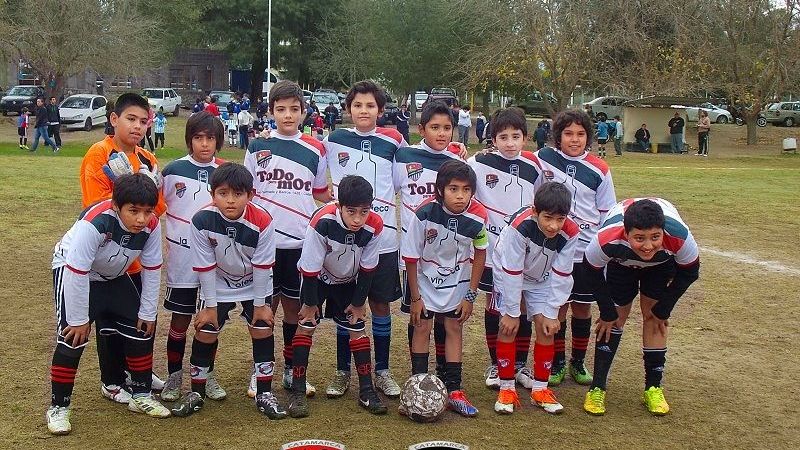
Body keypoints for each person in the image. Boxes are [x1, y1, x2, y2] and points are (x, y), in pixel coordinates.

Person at [46, 174, 170, 435]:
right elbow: (77, 270)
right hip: (73, 271)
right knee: (72, 338)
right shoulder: (96, 222)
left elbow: (152, 267)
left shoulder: (151, 225)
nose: (141, 219)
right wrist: (79, 319)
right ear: (117, 205)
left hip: (112, 275)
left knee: (142, 326)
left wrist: (148, 311)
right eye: (133, 211)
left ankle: (141, 395)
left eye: (147, 211)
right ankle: (59, 407)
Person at [170, 162, 287, 420]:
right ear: (212, 194)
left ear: (250, 195)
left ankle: (264, 393)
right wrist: (210, 306)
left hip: (253, 282)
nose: (230, 201)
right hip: (218, 282)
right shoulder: (201, 219)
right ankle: (197, 393)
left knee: (262, 327)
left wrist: (260, 304)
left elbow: (262, 266)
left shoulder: (263, 221)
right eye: (223, 194)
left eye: (238, 194)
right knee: (206, 330)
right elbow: (205, 265)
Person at [244, 80, 332, 400]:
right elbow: (247, 196)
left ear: (304, 112)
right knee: (264, 309)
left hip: (299, 243)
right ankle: (260, 370)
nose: (288, 115)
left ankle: (293, 371)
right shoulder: (256, 147)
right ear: (270, 112)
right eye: (280, 109)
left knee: (295, 312)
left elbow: (321, 193)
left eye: (294, 109)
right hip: (265, 245)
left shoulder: (315, 148)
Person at [322, 80, 409, 399]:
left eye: (370, 105)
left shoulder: (394, 141)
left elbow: (403, 183)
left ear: (381, 110)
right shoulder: (334, 139)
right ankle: (343, 370)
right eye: (357, 105)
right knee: (346, 306)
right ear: (348, 109)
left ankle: (383, 371)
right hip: (344, 242)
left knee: (380, 304)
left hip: (383, 238)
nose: (363, 110)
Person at [78, 93, 166, 400]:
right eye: (131, 119)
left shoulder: (148, 159)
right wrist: (126, 186)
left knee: (139, 317)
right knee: (109, 322)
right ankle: (111, 380)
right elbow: (97, 205)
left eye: (144, 121)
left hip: (137, 256)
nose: (138, 127)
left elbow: (158, 206)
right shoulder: (99, 154)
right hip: (106, 258)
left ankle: (137, 371)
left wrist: (144, 189)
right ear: (114, 119)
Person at [582, 198, 699, 416]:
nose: (647, 246)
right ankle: (597, 387)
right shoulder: (607, 239)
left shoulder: (679, 237)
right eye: (639, 238)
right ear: (626, 234)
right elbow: (590, 270)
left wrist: (664, 309)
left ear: (663, 231)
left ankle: (653, 388)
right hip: (621, 264)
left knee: (655, 319)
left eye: (655, 237)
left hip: (661, 265)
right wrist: (606, 311)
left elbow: (690, 272)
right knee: (613, 319)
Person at [289, 175, 388, 417]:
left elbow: (368, 268)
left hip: (348, 280)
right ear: (339, 205)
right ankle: (298, 392)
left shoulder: (375, 225)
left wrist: (357, 303)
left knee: (357, 325)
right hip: (318, 279)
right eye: (351, 211)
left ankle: (366, 390)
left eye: (364, 212)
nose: (357, 219)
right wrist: (310, 304)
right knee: (306, 325)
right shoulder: (321, 222)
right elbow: (310, 267)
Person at [534, 109, 617, 388]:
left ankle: (578, 362)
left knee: (582, 308)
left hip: (585, 251)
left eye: (580, 134)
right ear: (558, 136)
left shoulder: (600, 169)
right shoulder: (543, 159)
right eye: (568, 133)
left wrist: (603, 249)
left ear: (588, 137)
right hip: (554, 250)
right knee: (557, 307)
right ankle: (556, 362)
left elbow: (607, 213)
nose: (574, 139)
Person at [402, 160, 488, 417]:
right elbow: (410, 256)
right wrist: (415, 297)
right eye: (453, 189)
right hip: (424, 280)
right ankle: (417, 386)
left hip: (457, 281)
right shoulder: (425, 213)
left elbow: (481, 254)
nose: (460, 195)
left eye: (466, 189)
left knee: (453, 326)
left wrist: (470, 295)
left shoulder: (479, 216)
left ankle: (454, 391)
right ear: (440, 190)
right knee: (422, 326)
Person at [467, 108, 541, 391]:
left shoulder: (534, 165)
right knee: (496, 304)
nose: (510, 143)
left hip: (525, 250)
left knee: (521, 304)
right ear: (493, 139)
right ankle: (496, 364)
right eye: (503, 137)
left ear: (525, 137)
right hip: (494, 249)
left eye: (516, 136)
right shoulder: (479, 163)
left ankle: (520, 364)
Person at [492, 182, 579, 415]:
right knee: (508, 326)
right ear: (534, 211)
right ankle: (507, 387)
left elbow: (563, 273)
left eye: (560, 219)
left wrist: (552, 312)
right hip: (508, 271)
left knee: (547, 327)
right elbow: (512, 271)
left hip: (542, 279)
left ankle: (540, 389)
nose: (554, 226)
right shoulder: (519, 227)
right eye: (548, 218)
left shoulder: (571, 232)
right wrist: (511, 312)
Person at [158, 111, 227, 403]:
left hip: (216, 262)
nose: (204, 144)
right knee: (180, 322)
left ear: (218, 142)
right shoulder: (171, 171)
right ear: (189, 140)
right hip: (182, 261)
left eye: (210, 138)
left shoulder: (225, 172)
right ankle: (174, 376)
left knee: (210, 321)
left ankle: (205, 374)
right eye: (198, 138)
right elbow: (153, 204)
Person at [393, 100, 464, 379]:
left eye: (447, 128)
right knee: (419, 314)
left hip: (449, 254)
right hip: (415, 254)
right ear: (421, 129)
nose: (442, 133)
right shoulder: (404, 157)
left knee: (447, 315)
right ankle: (418, 375)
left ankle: (445, 371)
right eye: (435, 127)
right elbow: (389, 189)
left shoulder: (458, 162)